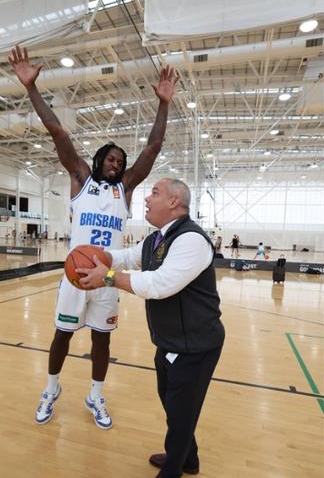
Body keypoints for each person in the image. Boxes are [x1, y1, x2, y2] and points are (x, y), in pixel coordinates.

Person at [8, 44, 179, 429]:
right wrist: (31, 88)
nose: (117, 165)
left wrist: (164, 104)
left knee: (102, 341)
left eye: (121, 162)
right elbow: (57, 130)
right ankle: (51, 389)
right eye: (112, 159)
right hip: (73, 277)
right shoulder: (81, 180)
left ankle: (95, 396)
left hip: (106, 277)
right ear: (100, 159)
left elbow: (152, 149)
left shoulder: (126, 190)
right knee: (62, 337)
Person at [77, 178, 225, 478]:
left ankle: (173, 469)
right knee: (174, 406)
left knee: (181, 413)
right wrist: (100, 255)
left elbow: (159, 285)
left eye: (154, 193)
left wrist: (107, 276)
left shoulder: (191, 240)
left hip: (196, 345)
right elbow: (127, 257)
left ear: (173, 201)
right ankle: (189, 460)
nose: (146, 200)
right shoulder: (156, 239)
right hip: (171, 342)